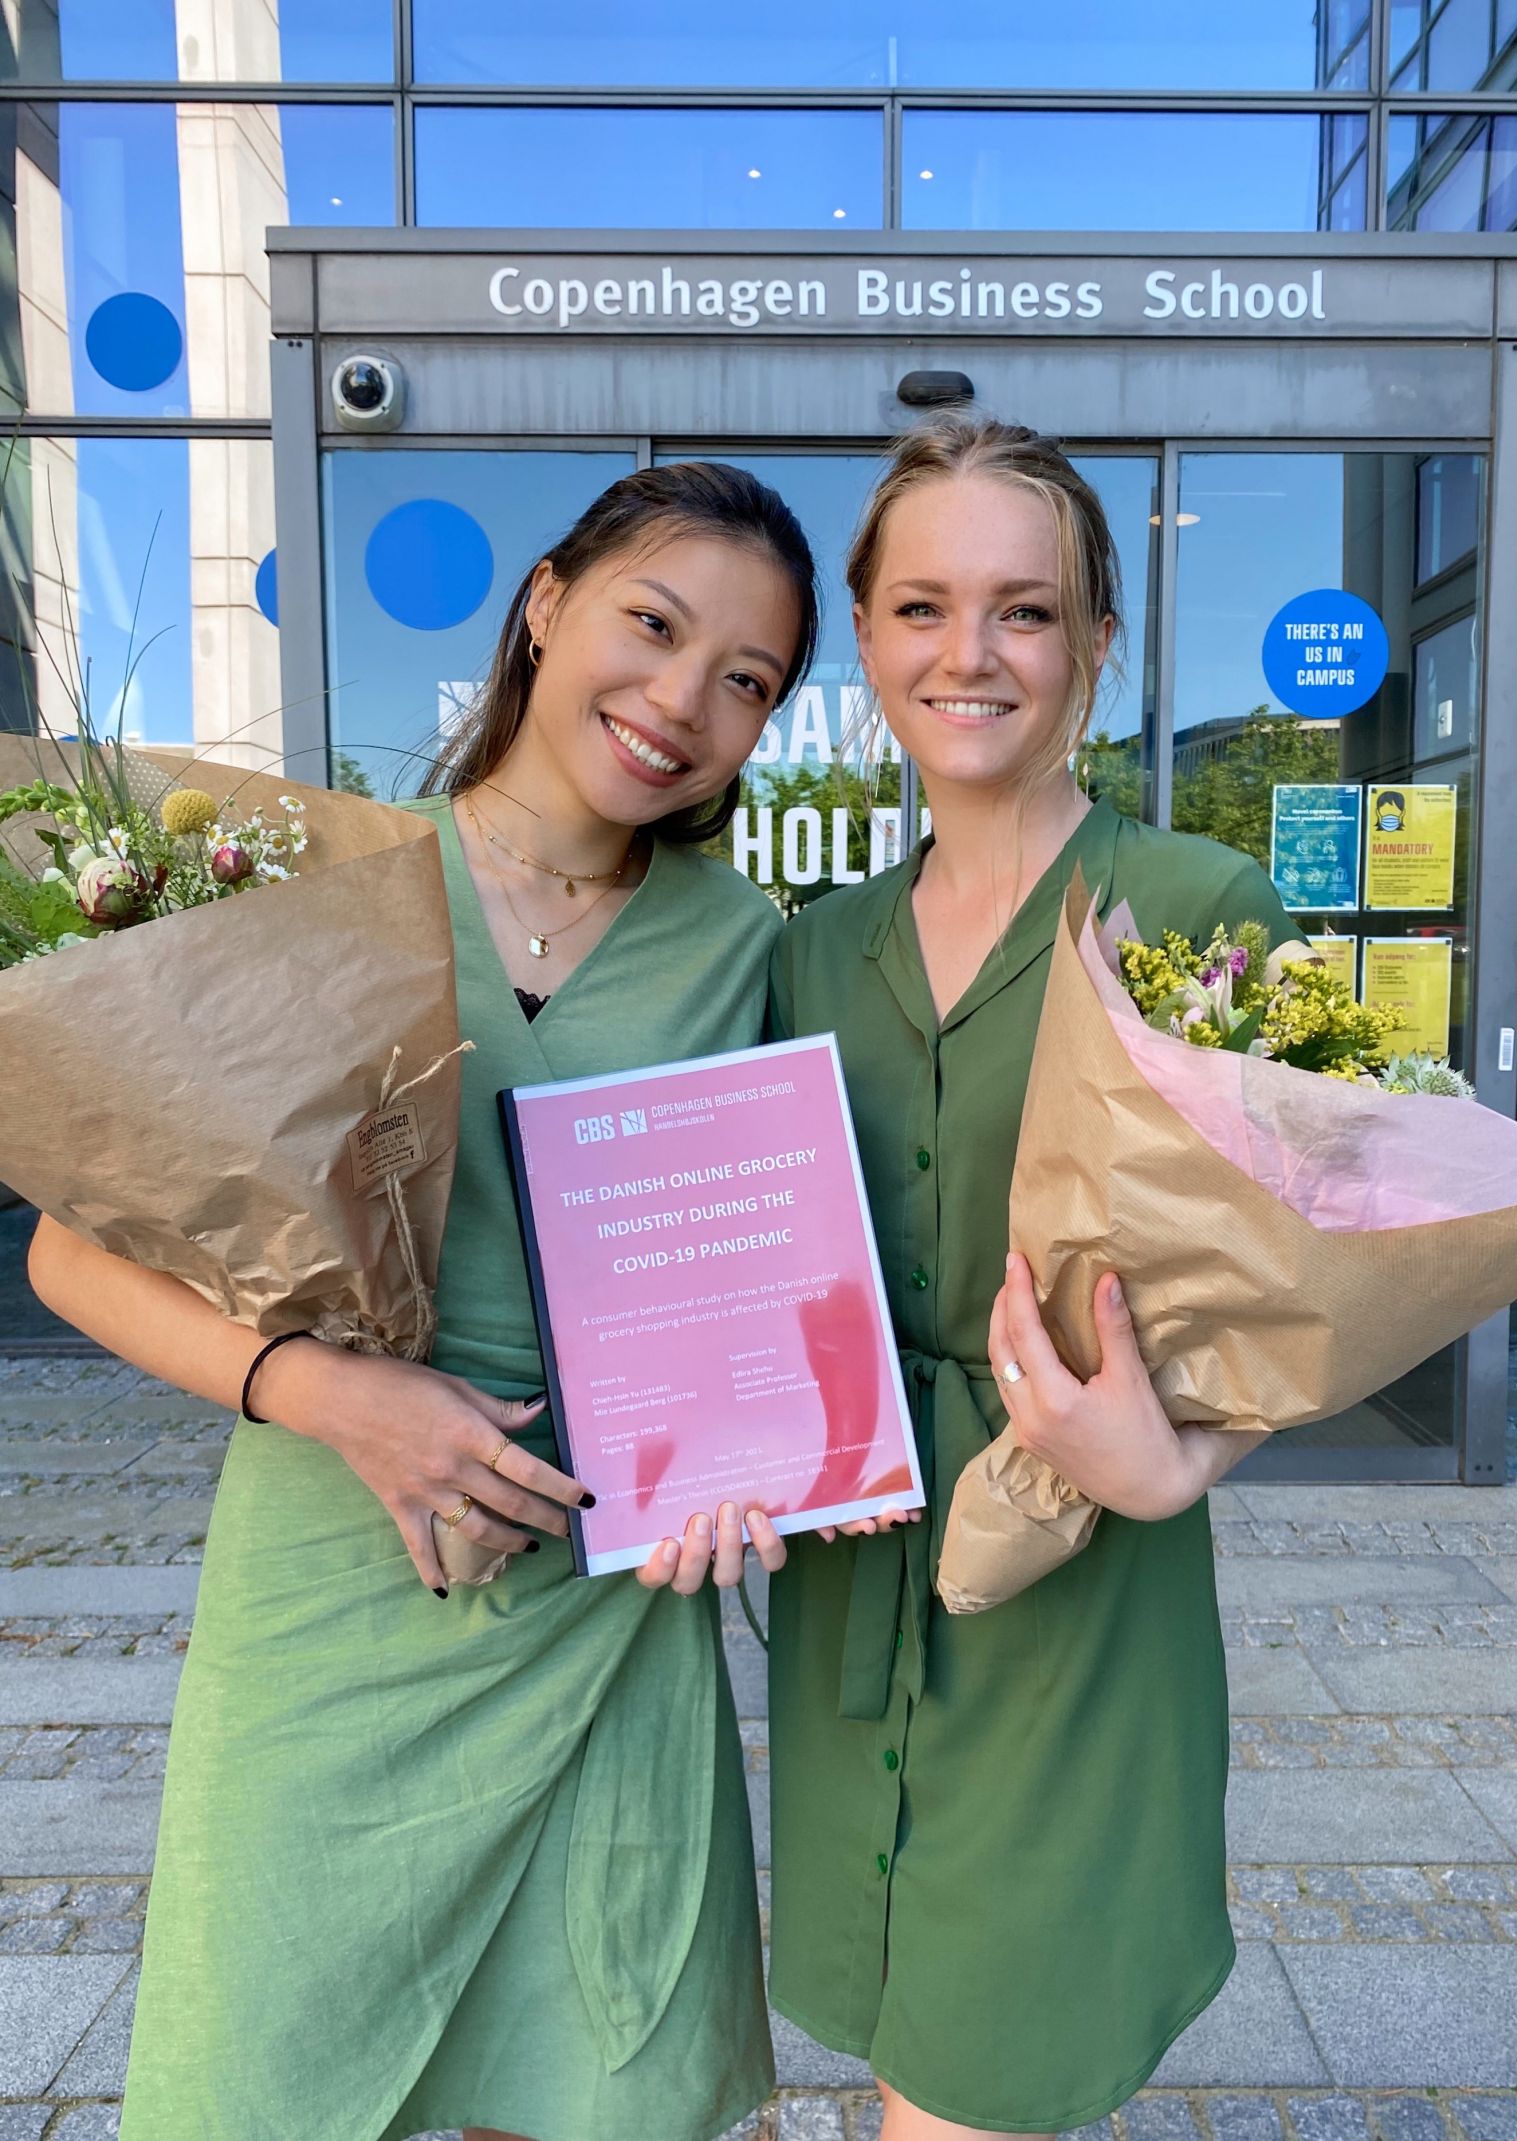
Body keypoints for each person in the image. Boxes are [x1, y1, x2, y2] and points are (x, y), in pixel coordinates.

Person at [28, 460, 818, 2141]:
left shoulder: (748, 944)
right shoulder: (309, 884)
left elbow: (768, 1281)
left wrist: (752, 1468)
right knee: (270, 2081)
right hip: (331, 1579)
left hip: (611, 1611)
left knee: (590, 2092)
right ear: (545, 603)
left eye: (746, 680)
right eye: (654, 625)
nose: (683, 702)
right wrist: (331, 1394)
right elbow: (69, 1250)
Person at [765, 416, 1302, 2140]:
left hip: (1079, 1576)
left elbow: (1310, 1274)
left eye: (1027, 609)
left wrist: (1188, 1458)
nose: (969, 654)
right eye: (923, 606)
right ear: (865, 638)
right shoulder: (806, 952)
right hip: (858, 1578)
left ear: (1097, 641)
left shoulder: (1194, 907)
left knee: (975, 2083)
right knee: (901, 2049)